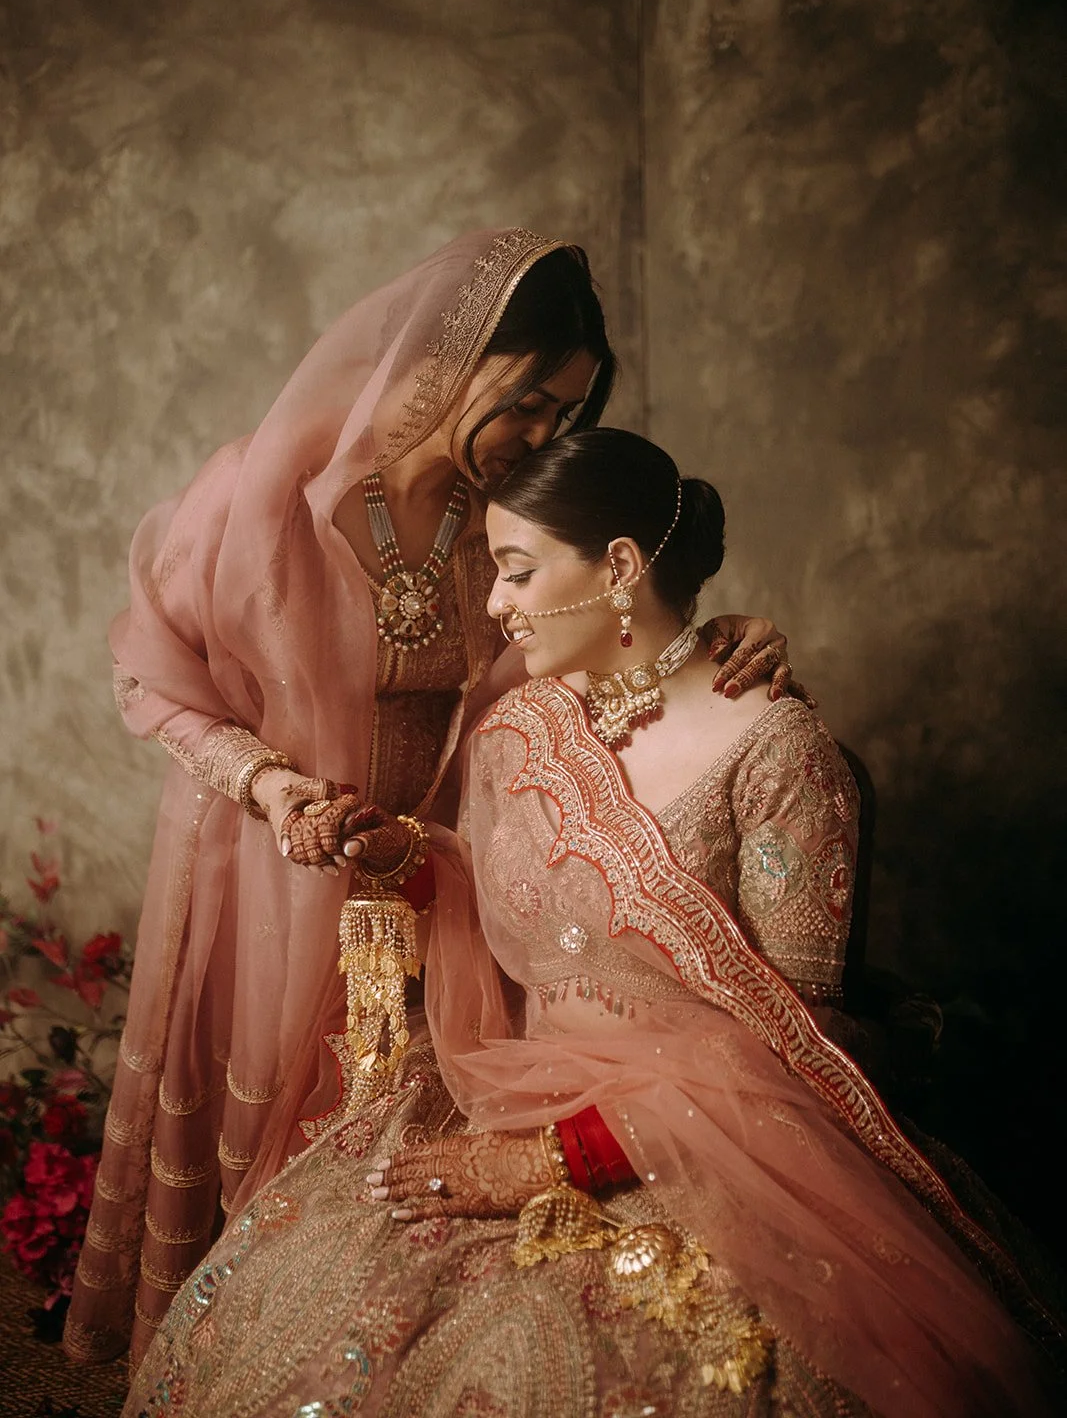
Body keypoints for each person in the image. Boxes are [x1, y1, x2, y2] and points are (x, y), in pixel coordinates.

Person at [121, 429, 1060, 1418]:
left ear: (615, 567)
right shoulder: (520, 731)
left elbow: (796, 1044)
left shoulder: (777, 750)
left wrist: (564, 1157)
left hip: (714, 1148)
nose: (494, 602)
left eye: (517, 571)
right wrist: (400, 857)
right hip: (511, 1086)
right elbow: (505, 928)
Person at [66, 231, 792, 1368]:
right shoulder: (262, 492)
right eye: (530, 402)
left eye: (565, 412)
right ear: (451, 356)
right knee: (268, 1115)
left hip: (442, 853)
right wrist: (269, 787)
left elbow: (606, 586)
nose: (543, 435)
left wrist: (710, 634)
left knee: (388, 1133)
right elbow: (147, 679)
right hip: (273, 852)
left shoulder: (499, 518)